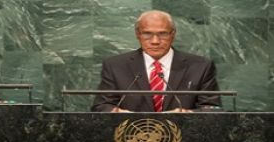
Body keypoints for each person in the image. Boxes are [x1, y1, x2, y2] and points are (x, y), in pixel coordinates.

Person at [91, 10, 220, 113]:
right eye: (147, 34)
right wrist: (118, 113)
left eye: (163, 34)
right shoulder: (116, 66)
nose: (155, 41)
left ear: (173, 34)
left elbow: (212, 108)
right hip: (131, 137)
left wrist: (188, 114)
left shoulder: (200, 67)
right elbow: (102, 106)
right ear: (138, 34)